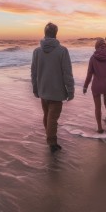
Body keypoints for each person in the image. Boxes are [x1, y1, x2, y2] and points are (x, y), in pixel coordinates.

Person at [31, 22, 75, 153]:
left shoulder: (37, 51)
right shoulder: (62, 51)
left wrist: (35, 88)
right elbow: (67, 72)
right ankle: (52, 142)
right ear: (56, 34)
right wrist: (70, 90)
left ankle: (50, 139)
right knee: (52, 119)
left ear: (45, 33)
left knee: (47, 116)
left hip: (43, 90)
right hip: (57, 92)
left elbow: (33, 72)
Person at [83, 38, 106, 133]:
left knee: (97, 107)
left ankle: (99, 128)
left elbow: (89, 74)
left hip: (96, 85)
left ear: (96, 46)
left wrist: (85, 86)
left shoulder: (93, 58)